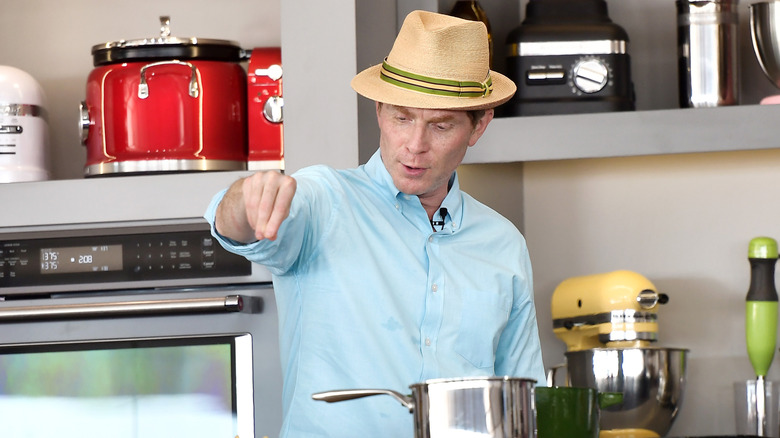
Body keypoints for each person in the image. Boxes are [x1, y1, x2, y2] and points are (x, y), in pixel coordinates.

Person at [205, 10, 545, 438]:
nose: (415, 145)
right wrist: (248, 198)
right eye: (402, 118)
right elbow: (234, 225)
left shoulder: (502, 245)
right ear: (380, 110)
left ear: (478, 126)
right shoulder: (324, 200)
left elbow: (527, 401)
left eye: (440, 125)